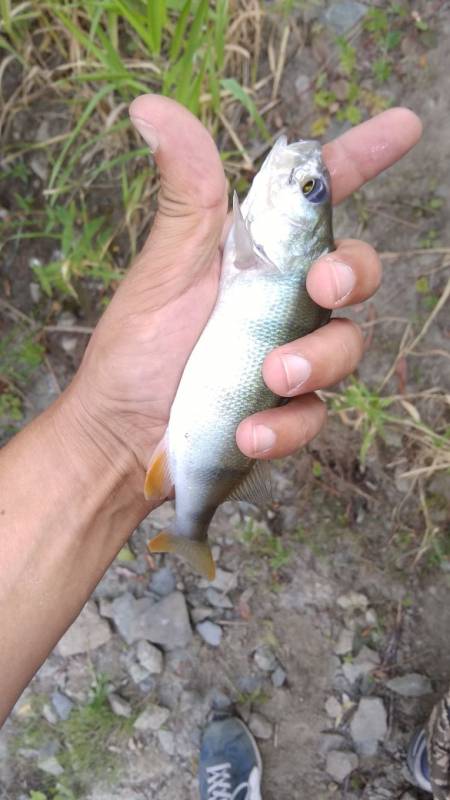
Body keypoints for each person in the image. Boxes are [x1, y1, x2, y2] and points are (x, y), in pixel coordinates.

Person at [0, 95, 424, 798]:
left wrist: (109, 447)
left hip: (173, 438)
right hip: (182, 428)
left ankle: (189, 525)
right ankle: (191, 527)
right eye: (309, 187)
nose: (304, 168)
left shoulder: (268, 246)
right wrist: (108, 440)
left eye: (308, 189)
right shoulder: (254, 245)